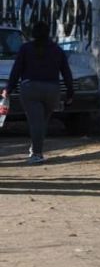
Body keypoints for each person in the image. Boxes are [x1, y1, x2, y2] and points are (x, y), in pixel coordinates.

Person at [1, 21, 73, 163]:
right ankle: (36, 148)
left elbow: (16, 70)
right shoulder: (57, 50)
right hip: (52, 89)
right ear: (48, 33)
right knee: (42, 121)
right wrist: (70, 93)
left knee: (35, 122)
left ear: (33, 33)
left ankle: (37, 154)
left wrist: (8, 89)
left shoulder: (25, 49)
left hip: (30, 89)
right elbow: (66, 72)